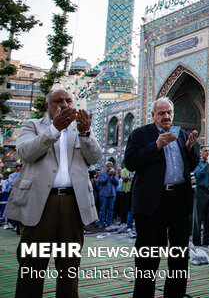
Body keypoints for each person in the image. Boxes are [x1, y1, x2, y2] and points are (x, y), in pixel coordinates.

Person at [4, 89, 102, 298]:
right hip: (40, 204)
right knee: (32, 264)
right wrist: (55, 129)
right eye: (58, 101)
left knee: (69, 266)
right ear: (47, 106)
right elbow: (26, 153)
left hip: (72, 204)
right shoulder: (33, 125)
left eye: (68, 100)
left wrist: (86, 134)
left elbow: (95, 157)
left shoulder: (80, 129)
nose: (64, 104)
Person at [124, 96, 199, 298]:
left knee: (179, 255)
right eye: (161, 113)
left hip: (178, 200)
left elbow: (191, 166)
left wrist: (192, 150)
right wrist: (155, 145)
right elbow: (130, 162)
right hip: (152, 202)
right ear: (153, 115)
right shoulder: (141, 135)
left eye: (169, 113)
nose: (166, 117)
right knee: (148, 255)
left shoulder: (181, 135)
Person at [192, 145, 209, 247]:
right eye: (205, 151)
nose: (207, 153)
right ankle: (196, 242)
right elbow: (197, 175)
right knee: (198, 218)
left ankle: (206, 241)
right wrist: (206, 166)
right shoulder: (198, 163)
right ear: (201, 153)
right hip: (200, 191)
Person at [97, 161, 119, 227]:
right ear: (105, 167)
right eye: (108, 166)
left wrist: (114, 176)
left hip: (112, 194)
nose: (109, 167)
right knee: (102, 210)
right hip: (104, 194)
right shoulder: (102, 174)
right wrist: (108, 176)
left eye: (111, 166)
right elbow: (101, 182)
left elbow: (116, 183)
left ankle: (109, 223)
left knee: (111, 210)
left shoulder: (114, 174)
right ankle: (101, 223)